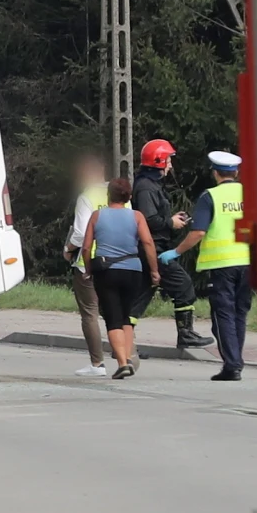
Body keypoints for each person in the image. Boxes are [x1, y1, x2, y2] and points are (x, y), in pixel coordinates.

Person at [161, 151, 252, 381]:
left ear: (215, 173)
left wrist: (175, 252)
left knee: (223, 316)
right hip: (247, 263)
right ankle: (235, 361)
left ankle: (232, 365)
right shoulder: (249, 194)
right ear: (236, 172)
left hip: (222, 265)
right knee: (239, 313)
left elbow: (199, 231)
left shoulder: (209, 197)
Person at [129, 138, 215, 349]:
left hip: (152, 247)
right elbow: (148, 219)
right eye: (168, 160)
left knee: (140, 297)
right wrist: (170, 222)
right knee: (184, 286)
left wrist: (173, 219)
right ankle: (186, 334)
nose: (170, 165)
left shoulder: (150, 185)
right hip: (154, 249)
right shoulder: (146, 188)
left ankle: (123, 342)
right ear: (158, 161)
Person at [81, 177, 160, 379]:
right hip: (133, 270)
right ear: (129, 197)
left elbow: (87, 247)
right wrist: (154, 270)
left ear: (109, 196)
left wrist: (88, 268)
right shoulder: (137, 216)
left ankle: (123, 363)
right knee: (126, 317)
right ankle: (127, 360)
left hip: (106, 271)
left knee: (113, 318)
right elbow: (148, 243)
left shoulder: (97, 216)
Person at [64, 153, 109, 377]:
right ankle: (127, 358)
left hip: (89, 264)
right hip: (117, 262)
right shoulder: (119, 193)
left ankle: (97, 364)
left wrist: (68, 250)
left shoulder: (86, 197)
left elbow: (80, 233)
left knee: (90, 314)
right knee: (116, 312)